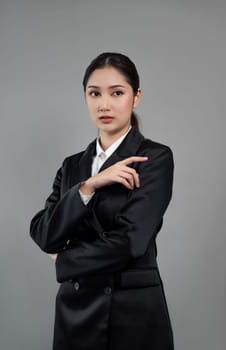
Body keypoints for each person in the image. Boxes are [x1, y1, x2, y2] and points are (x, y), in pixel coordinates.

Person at [30, 52, 175, 350]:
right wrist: (89, 185)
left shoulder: (153, 158)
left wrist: (66, 260)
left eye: (117, 93)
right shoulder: (72, 166)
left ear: (136, 97)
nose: (104, 104)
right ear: (85, 97)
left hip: (131, 312)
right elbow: (45, 234)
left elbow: (131, 241)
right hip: (76, 311)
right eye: (94, 93)